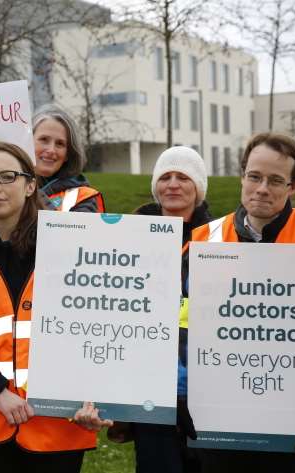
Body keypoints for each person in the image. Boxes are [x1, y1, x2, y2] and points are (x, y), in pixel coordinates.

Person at [0, 141, 108, 473]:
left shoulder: (76, 247)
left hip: (56, 425)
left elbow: (98, 330)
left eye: (6, 177)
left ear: (30, 186)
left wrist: (92, 397)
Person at [188, 133, 295, 472]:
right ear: (242, 175)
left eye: (275, 180)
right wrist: (182, 398)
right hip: (223, 427)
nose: (262, 188)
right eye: (254, 176)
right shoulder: (205, 240)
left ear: (293, 186)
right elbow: (180, 328)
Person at [126, 146, 211, 473]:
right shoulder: (129, 236)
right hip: (148, 382)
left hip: (202, 383)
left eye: (183, 177)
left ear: (198, 188)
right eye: (165, 177)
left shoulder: (217, 238)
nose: (173, 184)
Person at [0, 104, 105, 234]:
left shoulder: (82, 198)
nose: (51, 150)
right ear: (27, 142)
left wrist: (28, 185)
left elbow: (75, 254)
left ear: (69, 153)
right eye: (44, 139)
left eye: (60, 144)